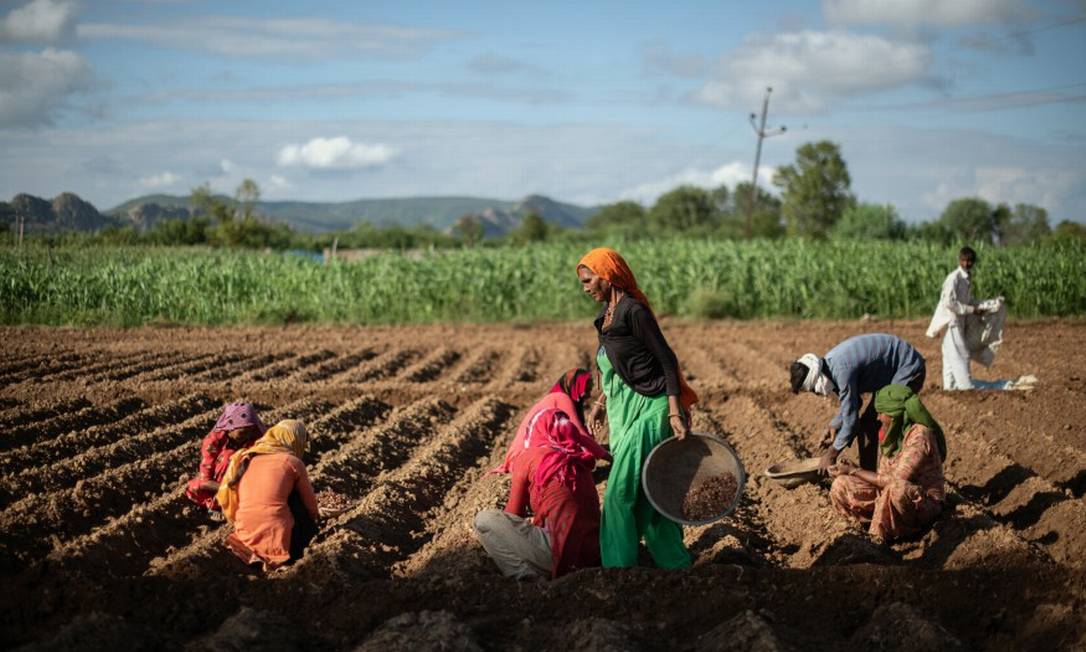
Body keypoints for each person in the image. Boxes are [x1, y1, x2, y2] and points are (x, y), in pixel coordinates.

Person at [576, 247, 697, 569]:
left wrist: (674, 411)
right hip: (627, 409)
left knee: (619, 493)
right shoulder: (604, 318)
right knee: (649, 493)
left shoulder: (633, 311)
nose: (585, 288)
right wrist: (600, 403)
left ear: (608, 276)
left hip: (654, 407)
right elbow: (610, 366)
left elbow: (667, 361)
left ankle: (617, 571)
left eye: (589, 280)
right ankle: (676, 565)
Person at [477, 369, 609, 579]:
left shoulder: (529, 457)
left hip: (557, 552)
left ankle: (523, 574)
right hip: (593, 554)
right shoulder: (581, 462)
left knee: (485, 519)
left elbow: (513, 513)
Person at [790, 333, 925, 473]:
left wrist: (831, 454)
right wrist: (835, 424)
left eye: (813, 390)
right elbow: (854, 403)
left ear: (817, 382)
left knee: (889, 423)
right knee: (868, 425)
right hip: (889, 377)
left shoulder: (841, 372)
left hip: (907, 368)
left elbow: (851, 423)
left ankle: (903, 477)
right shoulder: (828, 367)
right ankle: (870, 478)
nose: (816, 394)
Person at [828, 384, 946, 542]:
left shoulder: (920, 436)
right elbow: (882, 477)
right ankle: (860, 534)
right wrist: (848, 471)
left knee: (897, 488)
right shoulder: (893, 435)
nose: (878, 418)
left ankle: (880, 539)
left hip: (921, 503)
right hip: (887, 494)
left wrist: (854, 470)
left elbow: (896, 480)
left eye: (881, 413)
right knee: (840, 485)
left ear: (894, 415)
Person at [216, 419, 319, 571]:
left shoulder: (249, 459)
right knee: (297, 501)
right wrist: (315, 523)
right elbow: (311, 508)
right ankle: (288, 553)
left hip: (245, 531)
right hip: (278, 538)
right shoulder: (293, 462)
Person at [926, 246, 1014, 390]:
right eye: (964, 260)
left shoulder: (966, 278)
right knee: (961, 355)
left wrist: (986, 305)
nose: (966, 264)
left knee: (950, 357)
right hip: (953, 323)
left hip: (959, 323)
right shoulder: (954, 278)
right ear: (959, 260)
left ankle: (951, 388)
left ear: (973, 262)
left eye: (969, 261)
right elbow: (949, 302)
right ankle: (967, 388)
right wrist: (972, 310)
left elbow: (965, 301)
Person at [185, 401, 265, 513]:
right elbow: (206, 481)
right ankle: (219, 505)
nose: (247, 436)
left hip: (247, 482)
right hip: (221, 485)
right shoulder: (213, 441)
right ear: (230, 427)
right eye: (242, 433)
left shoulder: (255, 435)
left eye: (249, 432)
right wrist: (234, 490)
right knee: (229, 457)